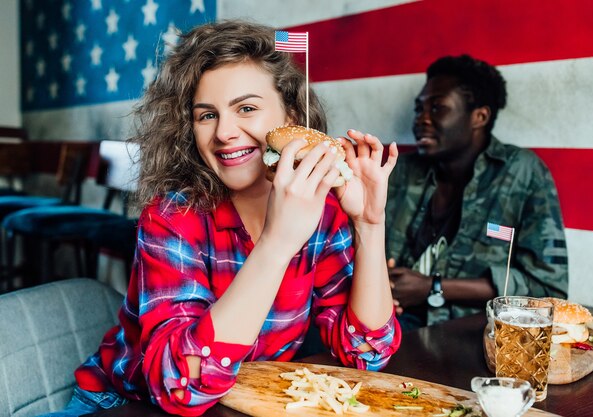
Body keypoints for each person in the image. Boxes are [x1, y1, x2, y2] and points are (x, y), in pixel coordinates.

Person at [40, 21, 401, 417]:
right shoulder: (172, 217)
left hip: (240, 403)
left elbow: (367, 353)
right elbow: (182, 386)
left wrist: (369, 224)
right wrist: (278, 243)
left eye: (246, 108)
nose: (224, 133)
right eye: (206, 115)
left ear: (293, 118)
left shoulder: (325, 213)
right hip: (123, 404)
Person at [385, 54, 568, 329]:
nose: (421, 119)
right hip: (386, 325)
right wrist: (381, 286)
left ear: (479, 116)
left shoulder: (521, 172)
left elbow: (548, 290)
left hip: (469, 335)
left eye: (437, 108)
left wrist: (433, 287)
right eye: (419, 108)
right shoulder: (400, 169)